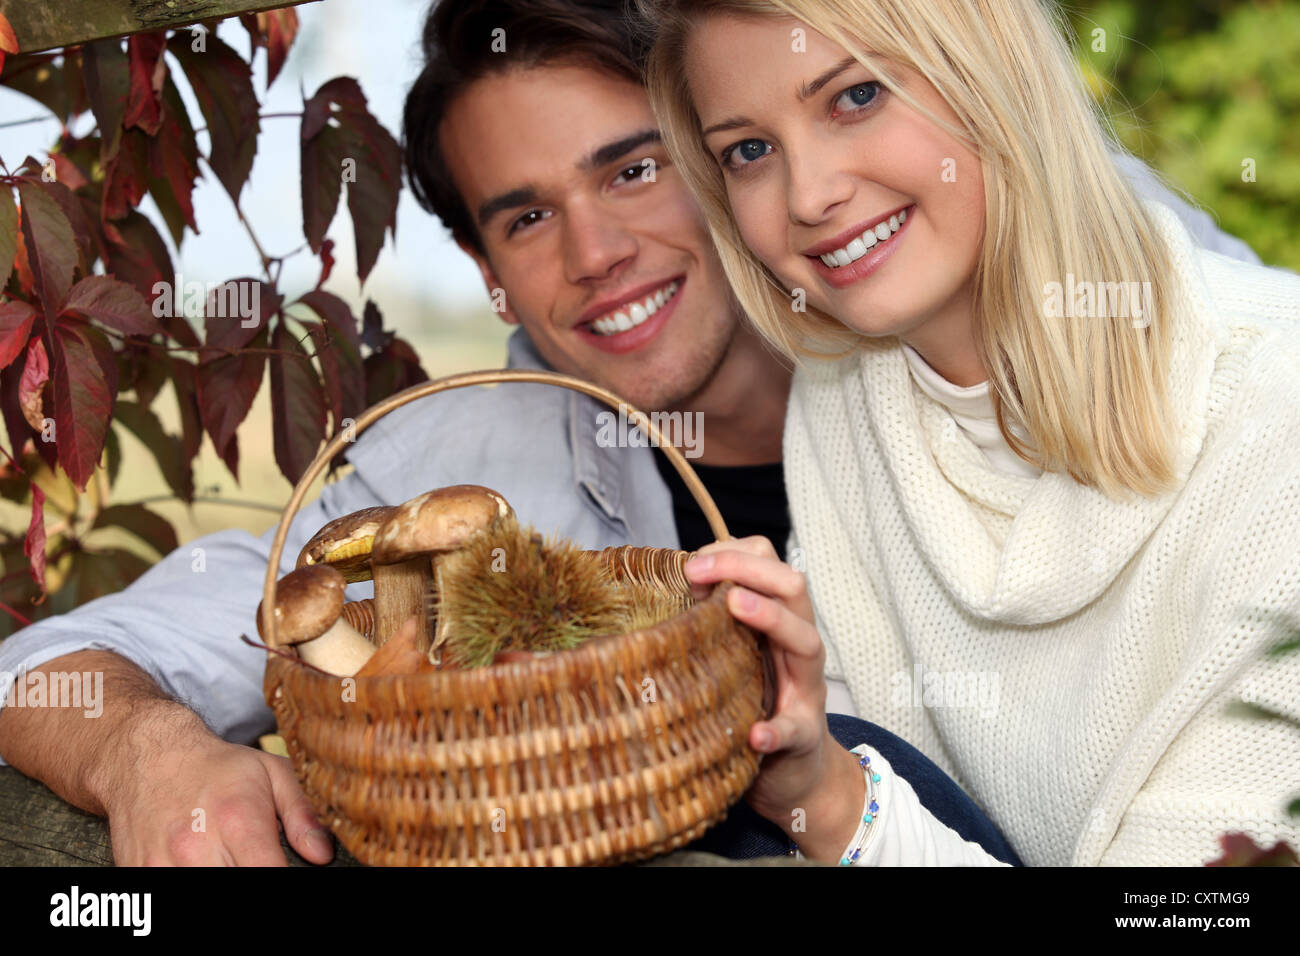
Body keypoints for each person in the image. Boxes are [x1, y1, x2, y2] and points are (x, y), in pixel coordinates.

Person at [0, 0, 1259, 867]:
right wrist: (140, 749)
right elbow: (66, 659)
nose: (597, 255)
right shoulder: (473, 470)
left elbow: (1170, 309)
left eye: (635, 169)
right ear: (482, 260)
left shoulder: (945, 294)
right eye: (526, 217)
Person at [640, 0, 1300, 865]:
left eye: (856, 97)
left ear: (992, 73)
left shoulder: (1274, 404)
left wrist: (839, 806)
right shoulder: (843, 393)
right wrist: (798, 773)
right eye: (749, 152)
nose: (810, 196)